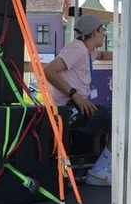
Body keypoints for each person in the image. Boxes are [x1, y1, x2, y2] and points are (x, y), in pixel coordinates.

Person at [43, 14, 114, 186]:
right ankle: (99, 171)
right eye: (103, 30)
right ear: (95, 32)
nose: (104, 33)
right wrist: (75, 94)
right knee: (119, 120)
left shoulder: (88, 51)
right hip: (67, 108)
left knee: (112, 115)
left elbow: (103, 54)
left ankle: (102, 167)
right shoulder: (77, 49)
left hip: (74, 105)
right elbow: (49, 70)